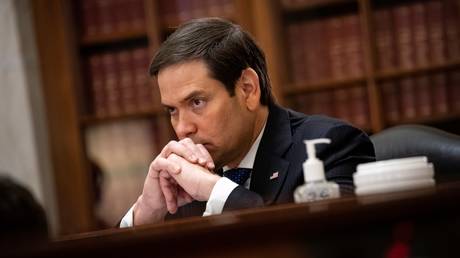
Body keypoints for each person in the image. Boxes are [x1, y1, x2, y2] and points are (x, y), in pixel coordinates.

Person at [120, 17, 375, 227]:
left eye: (196, 102)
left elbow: (324, 244)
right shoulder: (181, 180)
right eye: (172, 110)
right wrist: (147, 212)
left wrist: (216, 190)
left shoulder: (331, 146)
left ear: (247, 89)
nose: (183, 128)